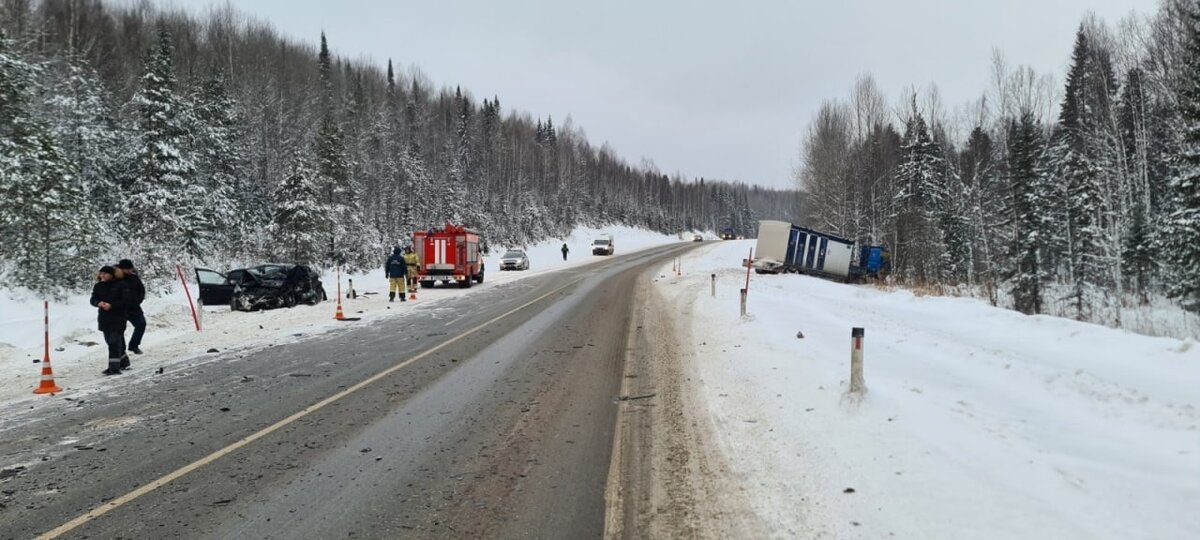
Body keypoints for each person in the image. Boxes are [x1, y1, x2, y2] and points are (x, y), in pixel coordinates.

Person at [91, 266, 131, 376]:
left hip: (118, 317)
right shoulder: (98, 286)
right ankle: (124, 361)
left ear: (112, 274)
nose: (102, 276)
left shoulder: (121, 285)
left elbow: (126, 300)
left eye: (105, 274)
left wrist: (112, 305)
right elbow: (93, 299)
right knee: (111, 341)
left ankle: (114, 367)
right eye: (101, 273)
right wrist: (98, 303)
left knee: (114, 342)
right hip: (104, 318)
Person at [116, 259, 146, 363]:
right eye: (127, 269)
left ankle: (134, 345)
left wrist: (138, 300)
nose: (130, 271)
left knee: (141, 324)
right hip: (120, 309)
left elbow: (141, 290)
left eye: (131, 268)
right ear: (121, 269)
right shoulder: (116, 279)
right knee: (120, 331)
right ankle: (122, 352)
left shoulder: (134, 278)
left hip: (134, 308)